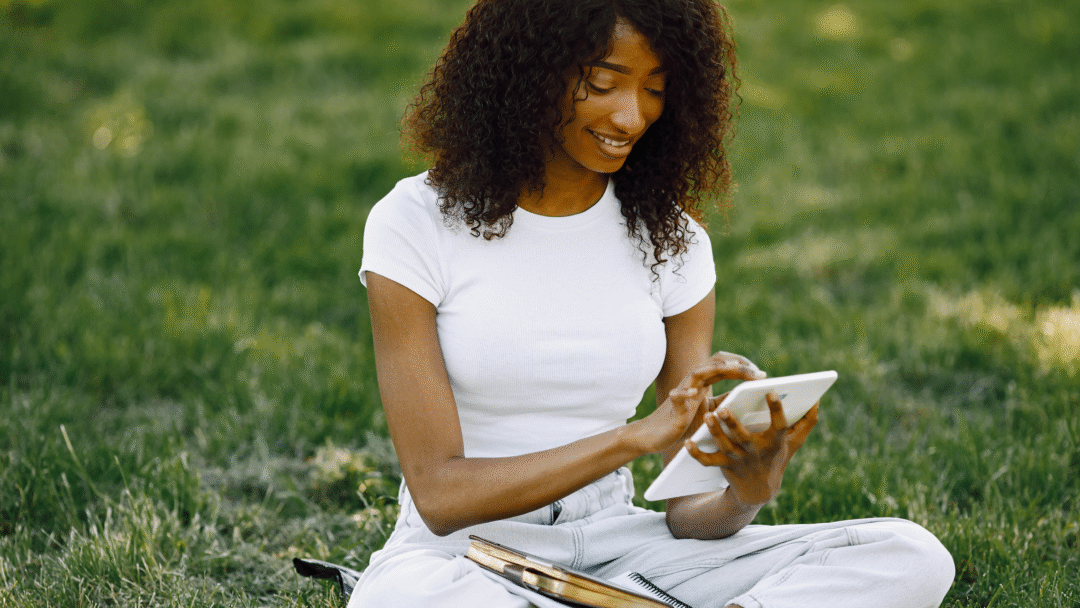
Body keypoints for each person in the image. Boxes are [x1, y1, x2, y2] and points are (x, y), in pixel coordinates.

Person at [350, 0, 955, 606]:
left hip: (619, 550)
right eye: (604, 82)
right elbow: (440, 498)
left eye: (656, 90)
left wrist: (746, 490)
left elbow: (688, 513)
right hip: (464, 557)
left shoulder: (672, 240)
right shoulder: (416, 224)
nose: (631, 115)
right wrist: (634, 438)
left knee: (910, 555)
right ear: (529, 73)